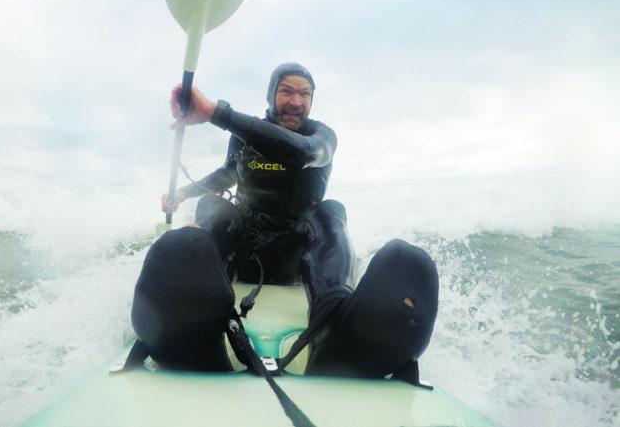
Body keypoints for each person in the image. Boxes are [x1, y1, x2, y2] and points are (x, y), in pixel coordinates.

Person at [130, 63, 439, 382]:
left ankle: (334, 330)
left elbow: (303, 153)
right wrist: (184, 192)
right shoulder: (244, 136)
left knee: (330, 210)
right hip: (244, 252)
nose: (296, 101)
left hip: (293, 257)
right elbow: (227, 172)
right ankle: (192, 311)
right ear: (270, 95)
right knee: (214, 206)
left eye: (305, 94)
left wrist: (216, 114)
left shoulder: (321, 138)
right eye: (286, 91)